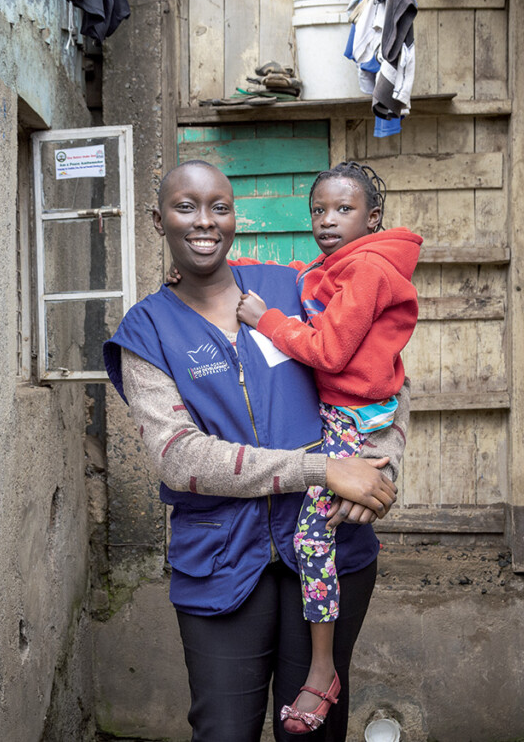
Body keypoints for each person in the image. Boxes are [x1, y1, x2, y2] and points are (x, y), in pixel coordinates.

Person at [103, 159, 409, 741]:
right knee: (224, 729)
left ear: (235, 219)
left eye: (219, 207)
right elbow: (180, 457)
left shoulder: (292, 287)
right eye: (185, 207)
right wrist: (323, 467)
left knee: (312, 731)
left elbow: (385, 373)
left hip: (326, 545)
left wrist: (379, 465)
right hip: (219, 560)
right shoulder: (146, 330)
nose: (204, 222)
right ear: (157, 220)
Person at [233, 161, 421, 734]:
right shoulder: (342, 264)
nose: (327, 221)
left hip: (352, 418)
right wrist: (232, 266)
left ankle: (321, 670)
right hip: (350, 412)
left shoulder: (367, 268)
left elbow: (330, 349)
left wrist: (265, 319)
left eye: (343, 210)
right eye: (319, 210)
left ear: (373, 217)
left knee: (312, 537)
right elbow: (304, 276)